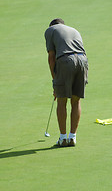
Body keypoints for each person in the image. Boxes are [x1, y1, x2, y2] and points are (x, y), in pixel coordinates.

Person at [44, 18, 88, 147]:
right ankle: (72, 137)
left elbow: (51, 58)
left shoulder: (50, 30)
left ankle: (63, 138)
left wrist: (55, 81)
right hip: (82, 60)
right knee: (76, 100)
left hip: (66, 60)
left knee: (62, 100)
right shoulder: (74, 30)